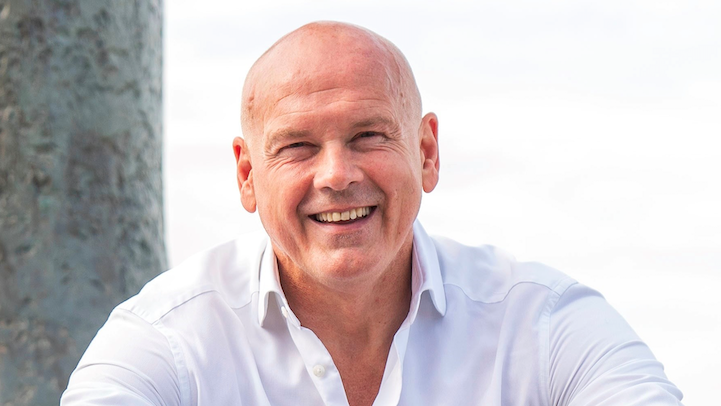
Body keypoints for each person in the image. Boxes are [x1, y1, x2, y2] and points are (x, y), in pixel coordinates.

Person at [61, 21, 683, 405]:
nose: (336, 175)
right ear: (248, 175)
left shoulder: (545, 325)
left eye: (368, 136)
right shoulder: (165, 342)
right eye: (298, 146)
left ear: (427, 152)